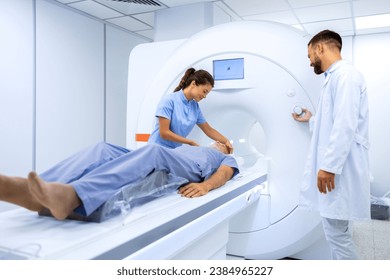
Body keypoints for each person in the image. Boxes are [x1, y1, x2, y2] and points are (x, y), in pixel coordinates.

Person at [0, 141, 238, 221]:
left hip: (188, 169)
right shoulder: (189, 145)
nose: (217, 143)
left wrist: (206, 185)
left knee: (154, 151)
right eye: (217, 142)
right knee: (103, 148)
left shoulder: (222, 156)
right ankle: (34, 193)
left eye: (222, 143)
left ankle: (72, 196)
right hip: (170, 157)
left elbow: (226, 173)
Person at [292, 30, 370, 259]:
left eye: (309, 56)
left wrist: (329, 167)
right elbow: (334, 119)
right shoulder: (335, 78)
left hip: (339, 169)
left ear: (319, 48)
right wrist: (312, 119)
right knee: (336, 233)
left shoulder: (345, 76)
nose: (309, 62)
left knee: (338, 236)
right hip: (338, 167)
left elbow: (345, 125)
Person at [148, 68, 233, 153]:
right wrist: (190, 142)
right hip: (157, 150)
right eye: (204, 91)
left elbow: (209, 130)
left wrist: (226, 141)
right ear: (193, 83)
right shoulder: (169, 100)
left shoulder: (194, 107)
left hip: (174, 152)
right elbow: (164, 133)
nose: (205, 96)